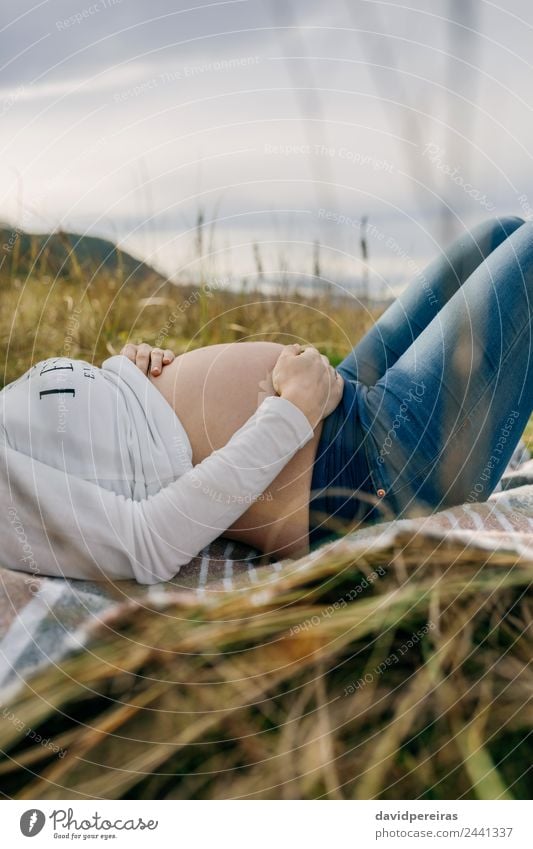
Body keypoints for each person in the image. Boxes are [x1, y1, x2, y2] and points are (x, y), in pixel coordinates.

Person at [1, 216, 532, 584]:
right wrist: (292, 412)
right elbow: (147, 544)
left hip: (339, 404)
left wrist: (124, 378)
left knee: (499, 235)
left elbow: (104, 450)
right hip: (360, 473)